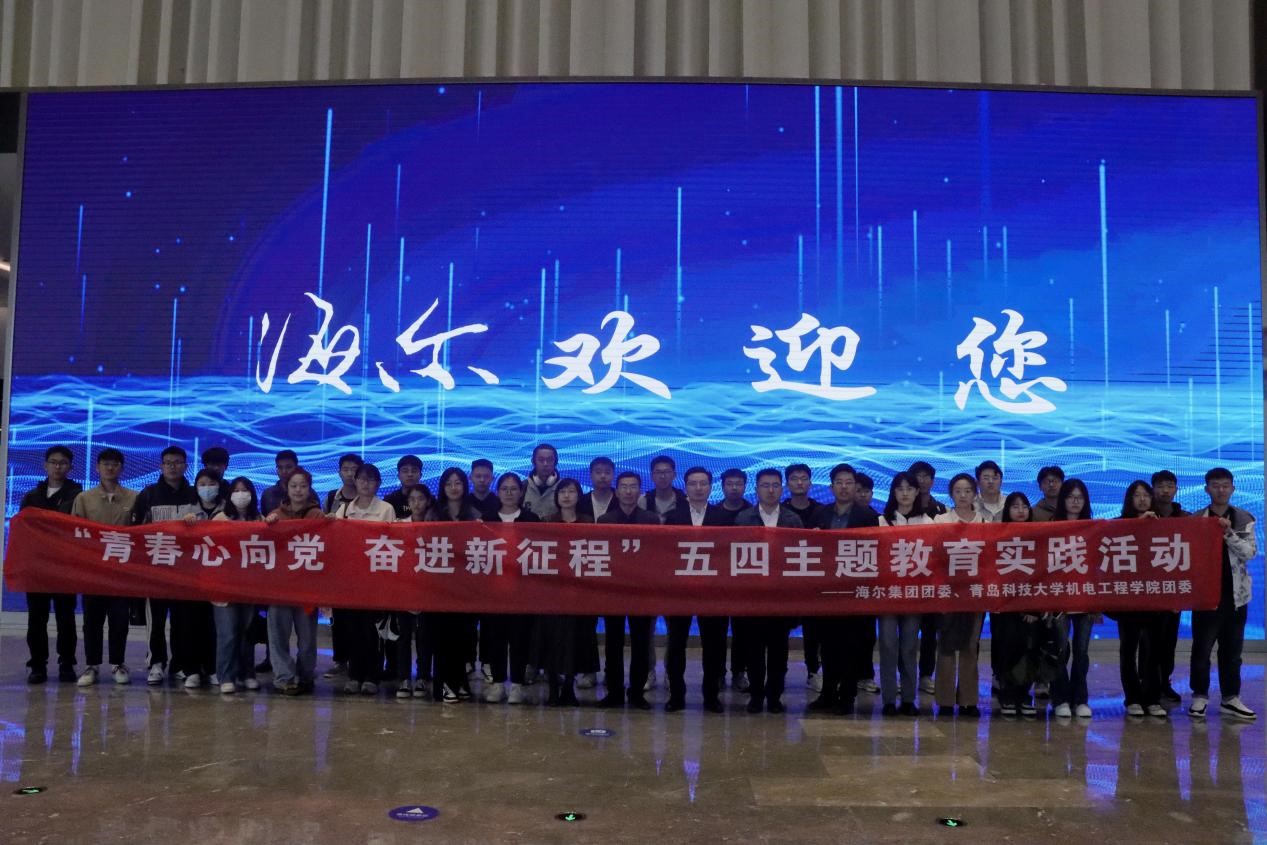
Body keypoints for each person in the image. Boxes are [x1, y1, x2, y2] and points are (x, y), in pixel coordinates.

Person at [807, 463, 879, 715]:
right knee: (828, 645)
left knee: (851, 646)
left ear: (855, 487)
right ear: (831, 487)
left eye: (849, 483)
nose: (844, 487)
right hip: (826, 592)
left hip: (854, 591)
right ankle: (827, 693)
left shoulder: (868, 516)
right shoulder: (820, 514)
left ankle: (847, 696)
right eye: (839, 482)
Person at [1189, 467, 1256, 720]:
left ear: (1233, 488)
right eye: (1215, 485)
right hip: (1206, 596)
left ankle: (1230, 698)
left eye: (1225, 485)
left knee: (1232, 652)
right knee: (1201, 650)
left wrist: (1228, 533)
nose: (1221, 490)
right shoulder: (1196, 520)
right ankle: (1199, 696)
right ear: (1206, 489)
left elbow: (1249, 553)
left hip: (1236, 596)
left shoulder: (1244, 518)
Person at [735, 468, 804, 714]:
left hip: (781, 598)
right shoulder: (744, 518)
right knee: (753, 651)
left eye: (775, 485)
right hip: (752, 597)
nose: (771, 490)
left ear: (782, 489)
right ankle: (756, 696)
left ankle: (774, 696)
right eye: (765, 485)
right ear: (756, 489)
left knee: (778, 652)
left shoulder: (792, 520)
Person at [130, 445, 200, 686]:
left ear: (186, 466)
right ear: (161, 466)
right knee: (156, 622)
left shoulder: (194, 494)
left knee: (183, 621)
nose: (173, 467)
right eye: (168, 462)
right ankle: (156, 663)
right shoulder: (148, 494)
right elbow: (135, 532)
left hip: (186, 571)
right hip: (156, 571)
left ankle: (180, 664)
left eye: (178, 462)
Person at [663, 467, 729, 713]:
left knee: (714, 645)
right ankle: (676, 695)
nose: (698, 488)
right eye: (693, 484)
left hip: (714, 591)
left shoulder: (723, 517)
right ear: (686, 487)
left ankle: (711, 696)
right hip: (680, 591)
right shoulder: (674, 516)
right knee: (676, 644)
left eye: (703, 483)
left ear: (711, 487)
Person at [72, 448, 135, 687]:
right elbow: (75, 533)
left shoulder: (133, 497)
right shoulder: (84, 498)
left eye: (115, 464)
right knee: (92, 621)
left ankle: (118, 663)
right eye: (106, 463)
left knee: (119, 620)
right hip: (93, 571)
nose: (110, 468)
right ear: (97, 467)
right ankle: (92, 665)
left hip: (121, 572)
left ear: (122, 468)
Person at [332, 463, 397, 695]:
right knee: (352, 629)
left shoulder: (386, 509)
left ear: (378, 483)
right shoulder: (344, 510)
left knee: (372, 630)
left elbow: (392, 541)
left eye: (371, 479)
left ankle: (372, 676)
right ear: (355, 481)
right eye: (361, 479)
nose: (365, 483)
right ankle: (354, 675)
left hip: (376, 579)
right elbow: (336, 540)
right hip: (351, 580)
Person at [597, 471, 659, 709]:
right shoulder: (605, 520)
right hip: (612, 591)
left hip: (642, 591)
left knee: (641, 642)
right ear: (616, 491)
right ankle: (614, 692)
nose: (628, 491)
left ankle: (636, 693)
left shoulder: (651, 520)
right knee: (613, 643)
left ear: (639, 491)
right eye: (624, 486)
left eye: (633, 486)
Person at [21, 445, 83, 684]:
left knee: (65, 618)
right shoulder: (31, 496)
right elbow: (24, 531)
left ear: (70, 467)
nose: (58, 467)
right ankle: (37, 665)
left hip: (65, 567)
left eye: (63, 463)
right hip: (37, 567)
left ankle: (66, 663)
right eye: (54, 462)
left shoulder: (77, 496)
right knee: (36, 618)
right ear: (45, 465)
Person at [482, 472, 542, 704]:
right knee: (495, 638)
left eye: (513, 489)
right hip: (493, 590)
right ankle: (498, 683)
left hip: (521, 591)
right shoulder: (487, 518)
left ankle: (517, 684)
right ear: (498, 492)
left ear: (521, 492)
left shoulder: (530, 519)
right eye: (504, 489)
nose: (509, 493)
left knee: (520, 638)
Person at [263, 466, 323, 695]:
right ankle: (284, 678)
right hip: (279, 587)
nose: (298, 490)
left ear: (309, 488)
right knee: (278, 635)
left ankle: (306, 675)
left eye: (303, 486)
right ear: (286, 489)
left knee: (307, 638)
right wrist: (267, 526)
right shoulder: (275, 516)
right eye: (294, 486)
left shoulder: (318, 516)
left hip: (307, 587)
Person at [932, 473, 985, 717]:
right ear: (951, 494)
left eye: (967, 491)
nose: (963, 495)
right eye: (957, 491)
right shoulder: (941, 520)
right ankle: (944, 701)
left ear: (975, 493)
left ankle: (968, 700)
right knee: (945, 645)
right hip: (947, 591)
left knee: (970, 646)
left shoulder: (985, 522)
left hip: (975, 592)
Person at [1114, 480, 1167, 718]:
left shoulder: (1163, 525)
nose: (1142, 499)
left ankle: (1152, 698)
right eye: (1137, 495)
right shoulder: (1119, 524)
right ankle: (1133, 698)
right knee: (1128, 651)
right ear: (1129, 499)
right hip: (1128, 598)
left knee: (1154, 651)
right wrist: (1137, 524)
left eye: (1146, 494)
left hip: (1155, 596)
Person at [877, 471, 928, 716]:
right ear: (893, 492)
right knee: (888, 645)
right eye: (900, 489)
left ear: (917, 492)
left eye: (909, 488)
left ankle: (908, 698)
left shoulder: (928, 523)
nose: (905, 493)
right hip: (888, 594)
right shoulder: (881, 521)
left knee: (909, 647)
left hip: (914, 595)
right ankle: (888, 699)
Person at [431, 466, 482, 702]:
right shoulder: (433, 514)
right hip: (438, 586)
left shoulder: (473, 514)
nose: (453, 488)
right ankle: (444, 684)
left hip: (465, 587)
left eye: (458, 483)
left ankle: (460, 680)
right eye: (449, 483)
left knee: (463, 637)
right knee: (442, 638)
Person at [210, 477, 264, 694]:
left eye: (245, 490)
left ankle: (247, 673)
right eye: (236, 490)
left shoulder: (258, 519)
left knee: (247, 632)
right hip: (224, 587)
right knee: (228, 633)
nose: (241, 495)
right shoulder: (220, 519)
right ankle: (226, 676)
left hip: (250, 586)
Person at [993, 492, 1044, 717]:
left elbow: (1042, 574)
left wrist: (1034, 608)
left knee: (1029, 650)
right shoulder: (998, 536)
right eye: (1015, 506)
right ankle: (1007, 695)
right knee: (1007, 649)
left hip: (1030, 606)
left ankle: (1024, 695)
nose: (1021, 510)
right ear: (1007, 511)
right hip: (1004, 606)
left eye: (1024, 506)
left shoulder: (1038, 537)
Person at [1049, 477, 1096, 718]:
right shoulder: (1051, 527)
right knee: (1059, 650)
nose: (1075, 502)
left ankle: (1080, 699)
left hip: (1085, 599)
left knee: (1082, 651)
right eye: (1070, 497)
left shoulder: (1094, 529)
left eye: (1080, 497)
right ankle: (1060, 699)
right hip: (1059, 600)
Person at [175, 468, 225, 688]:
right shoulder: (187, 510)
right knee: (190, 624)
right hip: (192, 578)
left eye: (211, 483)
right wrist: (183, 525)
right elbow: (176, 541)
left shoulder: (228, 509)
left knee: (215, 626)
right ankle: (192, 670)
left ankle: (213, 668)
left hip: (220, 578)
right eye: (202, 484)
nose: (207, 488)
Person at [545, 478, 590, 706]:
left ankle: (569, 686)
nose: (566, 495)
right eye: (562, 491)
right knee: (552, 640)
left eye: (571, 491)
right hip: (552, 592)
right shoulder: (547, 522)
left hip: (580, 593)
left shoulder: (588, 522)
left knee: (575, 640)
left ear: (578, 495)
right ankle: (553, 687)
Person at [321, 452, 363, 681]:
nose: (349, 473)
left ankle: (360, 660)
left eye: (353, 469)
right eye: (345, 469)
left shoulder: (368, 497)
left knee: (360, 617)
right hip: (337, 564)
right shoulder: (331, 497)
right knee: (338, 617)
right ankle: (340, 660)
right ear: (339, 472)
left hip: (362, 564)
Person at [783, 464, 823, 695]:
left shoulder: (821, 511)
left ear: (810, 482)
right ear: (787, 483)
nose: (799, 482)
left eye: (804, 478)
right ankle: (777, 672)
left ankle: (813, 672)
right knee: (780, 629)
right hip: (785, 581)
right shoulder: (781, 510)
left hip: (812, 581)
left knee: (813, 630)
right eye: (794, 478)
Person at [395, 485, 436, 700]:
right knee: (403, 636)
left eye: (420, 498)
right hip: (404, 587)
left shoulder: (436, 526)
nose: (416, 503)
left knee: (424, 636)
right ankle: (403, 677)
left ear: (428, 501)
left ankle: (422, 676)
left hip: (429, 588)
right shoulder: (399, 525)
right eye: (412, 499)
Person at [1150, 469, 1186, 705]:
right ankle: (1148, 683)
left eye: (1170, 486)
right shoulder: (1144, 516)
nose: (1165, 490)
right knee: (1149, 642)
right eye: (1161, 486)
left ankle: (1165, 682)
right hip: (1149, 590)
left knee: (1169, 640)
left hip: (1174, 590)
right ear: (1153, 489)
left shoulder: (1185, 518)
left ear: (1176, 490)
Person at [909, 460, 944, 697]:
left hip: (933, 582)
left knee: (930, 633)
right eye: (917, 476)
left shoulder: (940, 510)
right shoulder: (901, 509)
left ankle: (925, 675)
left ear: (932, 481)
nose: (922, 481)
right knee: (907, 633)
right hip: (907, 580)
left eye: (926, 476)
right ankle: (906, 675)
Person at [717, 467, 752, 692]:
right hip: (718, 582)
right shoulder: (714, 514)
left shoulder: (753, 513)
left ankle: (740, 672)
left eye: (738, 484)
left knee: (743, 631)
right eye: (730, 484)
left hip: (745, 581)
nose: (734, 488)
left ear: (745, 486)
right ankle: (718, 672)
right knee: (718, 630)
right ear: (722, 487)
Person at [260, 449, 317, 515]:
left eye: (288, 467)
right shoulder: (268, 495)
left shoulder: (309, 493)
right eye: (280, 467)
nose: (284, 471)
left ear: (296, 467)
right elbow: (264, 520)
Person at [521, 443, 560, 519]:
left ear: (555, 462)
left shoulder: (563, 488)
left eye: (550, 460)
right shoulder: (522, 487)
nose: (545, 464)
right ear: (533, 462)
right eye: (541, 460)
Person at [383, 454, 423, 519]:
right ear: (398, 476)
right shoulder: (390, 501)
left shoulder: (429, 501)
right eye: (405, 471)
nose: (410, 474)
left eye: (414, 471)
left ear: (420, 475)